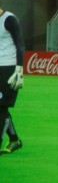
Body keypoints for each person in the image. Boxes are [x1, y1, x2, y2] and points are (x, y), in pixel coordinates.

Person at [0, 8, 24, 155]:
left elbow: (20, 44)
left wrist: (19, 70)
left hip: (9, 69)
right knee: (1, 108)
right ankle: (14, 140)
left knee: (1, 108)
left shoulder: (10, 19)